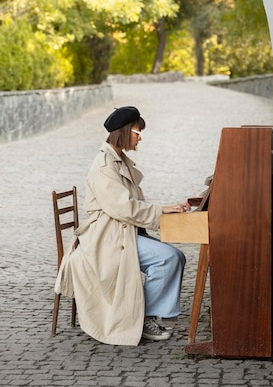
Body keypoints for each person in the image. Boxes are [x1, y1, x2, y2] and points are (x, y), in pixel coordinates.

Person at [54, 105, 191, 346]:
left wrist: (165, 209)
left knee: (174, 256)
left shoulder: (119, 160)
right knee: (168, 258)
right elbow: (122, 208)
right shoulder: (105, 165)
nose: (140, 138)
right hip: (106, 238)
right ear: (126, 131)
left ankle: (146, 314)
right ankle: (143, 318)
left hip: (121, 231)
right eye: (139, 132)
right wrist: (161, 210)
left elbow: (131, 205)